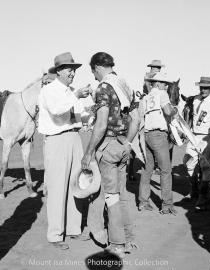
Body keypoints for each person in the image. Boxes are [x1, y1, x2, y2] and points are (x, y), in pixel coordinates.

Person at [81, 52, 140, 258]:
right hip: (123, 145)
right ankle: (129, 238)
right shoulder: (124, 85)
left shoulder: (104, 88)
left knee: (111, 197)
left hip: (107, 146)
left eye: (93, 72)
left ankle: (117, 244)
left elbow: (101, 124)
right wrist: (128, 143)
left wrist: (88, 153)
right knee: (122, 195)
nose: (94, 76)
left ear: (97, 67)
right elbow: (136, 119)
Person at [38, 52, 92, 250]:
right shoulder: (49, 90)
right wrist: (76, 95)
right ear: (59, 70)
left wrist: (94, 111)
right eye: (70, 69)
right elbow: (56, 110)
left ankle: (73, 229)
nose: (73, 73)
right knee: (57, 186)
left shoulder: (71, 91)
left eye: (75, 69)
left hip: (74, 137)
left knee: (76, 183)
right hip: (56, 140)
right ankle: (55, 234)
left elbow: (81, 115)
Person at [138, 73, 178, 215]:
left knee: (147, 169)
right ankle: (166, 205)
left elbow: (140, 116)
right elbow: (168, 111)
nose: (166, 86)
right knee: (166, 170)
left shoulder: (145, 97)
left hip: (147, 134)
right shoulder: (162, 94)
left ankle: (143, 202)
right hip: (159, 135)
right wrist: (174, 110)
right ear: (159, 83)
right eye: (165, 83)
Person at [183, 77, 210, 211]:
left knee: (205, 167)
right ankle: (194, 189)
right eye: (201, 87)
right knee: (188, 163)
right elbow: (192, 117)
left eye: (206, 87)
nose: (203, 90)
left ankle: (203, 198)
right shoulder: (195, 100)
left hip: (207, 137)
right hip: (194, 136)